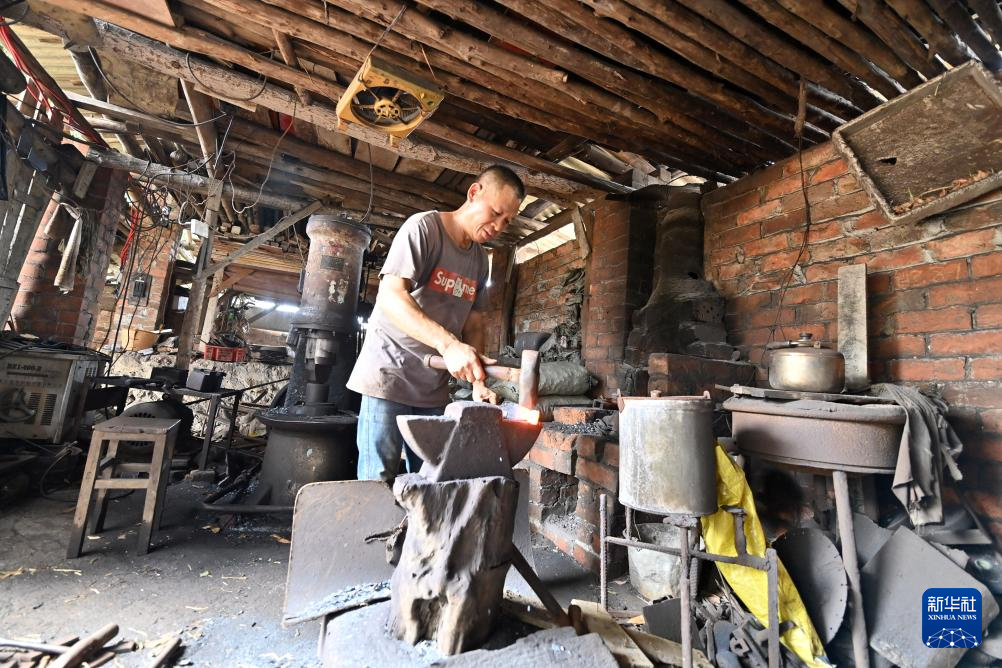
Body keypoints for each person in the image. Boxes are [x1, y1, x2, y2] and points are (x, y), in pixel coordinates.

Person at [347, 165, 525, 482]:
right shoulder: (424, 229)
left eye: (507, 221)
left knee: (432, 482)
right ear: (474, 193)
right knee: (377, 482)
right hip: (390, 375)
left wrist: (478, 382)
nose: (498, 226)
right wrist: (449, 344)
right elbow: (391, 296)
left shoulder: (479, 261)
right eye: (496, 213)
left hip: (433, 388)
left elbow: (474, 322)